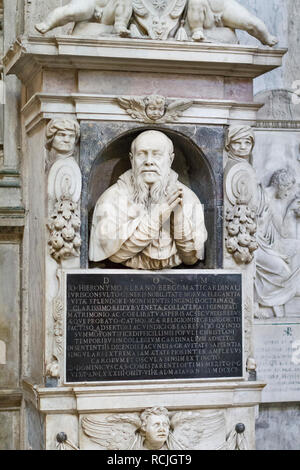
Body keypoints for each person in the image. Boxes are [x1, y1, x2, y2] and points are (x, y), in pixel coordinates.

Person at [89, 130, 207, 269]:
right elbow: (115, 255)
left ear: (170, 159)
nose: (149, 162)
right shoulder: (112, 199)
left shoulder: (188, 199)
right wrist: (157, 217)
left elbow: (191, 258)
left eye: (156, 155)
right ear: (132, 159)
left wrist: (178, 216)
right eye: (141, 154)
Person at [255, 169, 300, 317]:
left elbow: (282, 232)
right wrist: (260, 223)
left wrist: (290, 210)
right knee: (283, 271)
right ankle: (263, 301)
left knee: (297, 247)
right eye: (287, 189)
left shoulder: (274, 202)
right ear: (280, 185)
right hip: (255, 246)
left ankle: (279, 301)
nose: (287, 194)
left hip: (269, 244)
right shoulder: (258, 194)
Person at [187, 0, 278, 46]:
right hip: (201, 8)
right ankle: (197, 31)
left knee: (252, 24)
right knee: (196, 2)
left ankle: (265, 37)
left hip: (222, 6)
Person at [35, 0, 132, 37]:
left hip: (108, 10)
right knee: (74, 11)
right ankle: (48, 23)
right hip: (90, 3)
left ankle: (120, 25)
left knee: (125, 2)